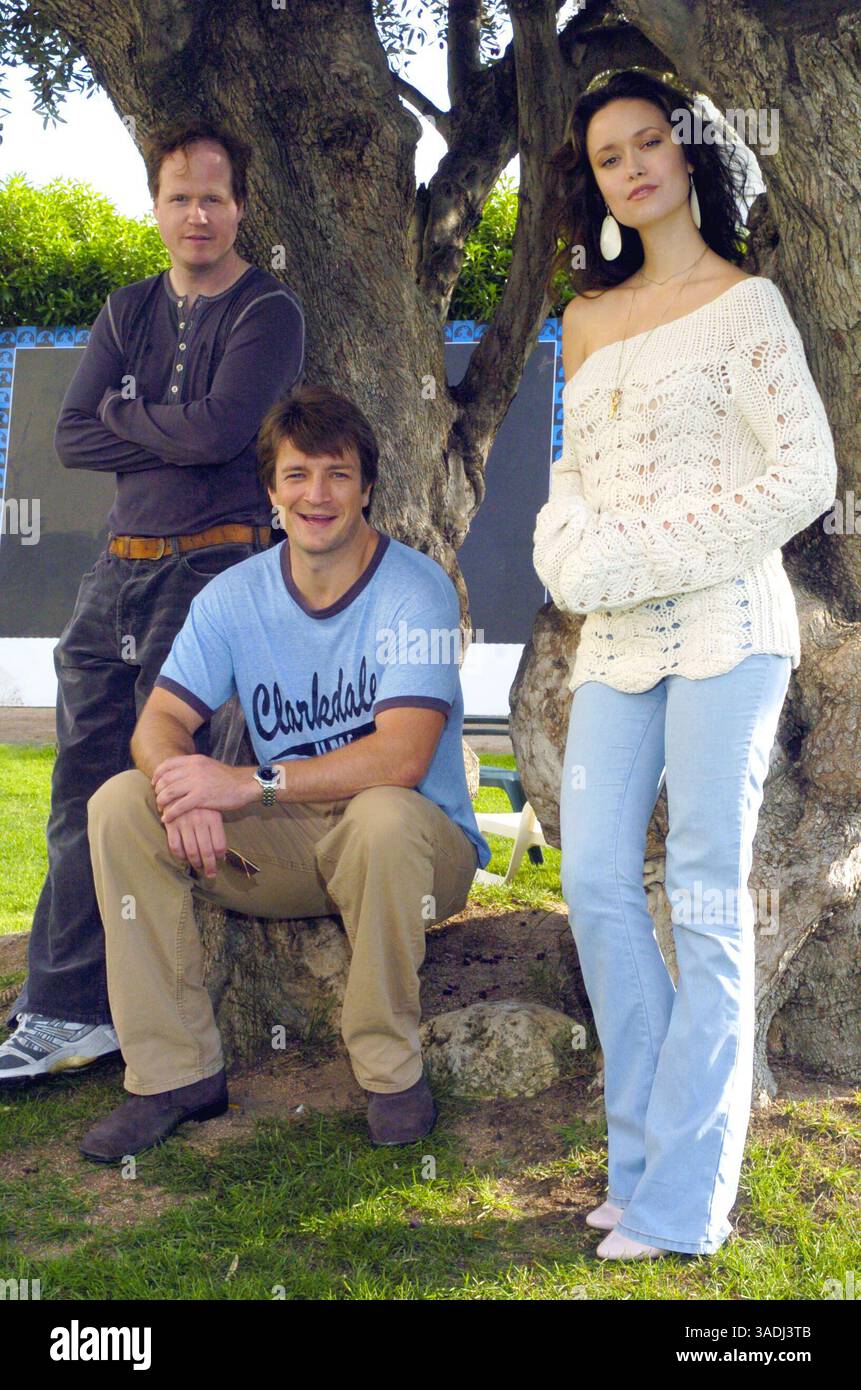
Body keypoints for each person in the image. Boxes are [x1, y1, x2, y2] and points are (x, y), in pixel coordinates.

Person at [532, 71, 837, 1261]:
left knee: (706, 897)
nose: (632, 167)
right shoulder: (585, 320)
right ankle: (641, 1160)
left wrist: (651, 552)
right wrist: (574, 564)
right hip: (615, 642)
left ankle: (686, 1200)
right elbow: (568, 491)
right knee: (600, 885)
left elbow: (804, 474)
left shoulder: (747, 304)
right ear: (597, 184)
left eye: (649, 142)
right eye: (609, 156)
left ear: (684, 154)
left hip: (731, 633)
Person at [78, 383, 491, 1161]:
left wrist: (244, 784)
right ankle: (175, 1075)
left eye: (337, 474)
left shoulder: (416, 590)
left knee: (382, 813)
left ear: (367, 487)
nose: (317, 495)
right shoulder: (234, 596)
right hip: (285, 847)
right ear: (271, 492)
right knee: (120, 803)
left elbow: (402, 756)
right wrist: (182, 786)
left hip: (417, 851)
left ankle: (389, 1072)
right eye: (297, 475)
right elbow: (158, 723)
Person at [0, 120, 305, 1084]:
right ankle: (62, 1012)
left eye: (214, 197)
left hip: (214, 570)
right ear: (157, 206)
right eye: (180, 197)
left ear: (242, 205)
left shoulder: (269, 310)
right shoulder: (126, 307)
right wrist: (170, 428)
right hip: (115, 571)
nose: (198, 214)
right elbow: (70, 437)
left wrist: (133, 419)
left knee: (161, 790)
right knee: (79, 793)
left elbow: (227, 431)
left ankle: (152, 1022)